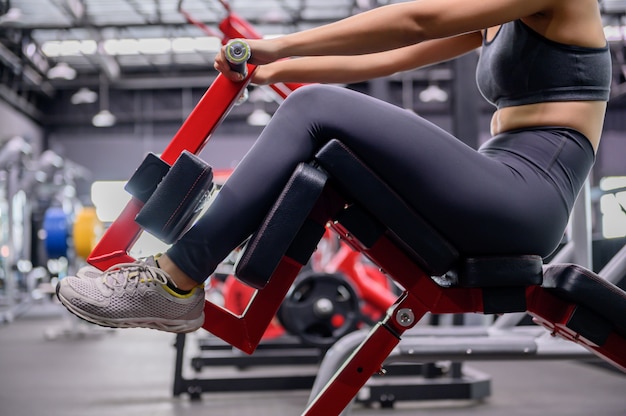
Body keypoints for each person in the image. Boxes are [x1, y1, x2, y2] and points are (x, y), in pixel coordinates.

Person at [57, 0, 611, 333]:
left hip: (527, 192)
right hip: (503, 181)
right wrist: (275, 66)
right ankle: (179, 276)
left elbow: (418, 20)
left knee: (313, 107)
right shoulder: (494, 16)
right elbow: (387, 58)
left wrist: (277, 45)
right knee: (314, 111)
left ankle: (175, 282)